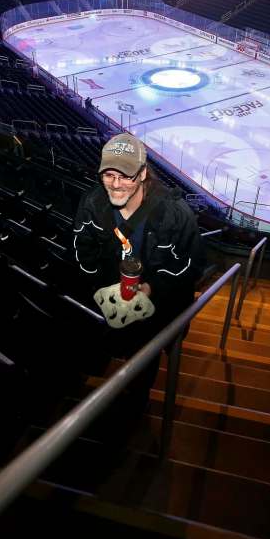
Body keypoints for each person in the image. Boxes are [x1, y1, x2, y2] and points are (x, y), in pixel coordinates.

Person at [72, 132, 204, 438]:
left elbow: (190, 266)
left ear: (143, 174)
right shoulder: (93, 203)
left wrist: (152, 288)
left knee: (143, 358)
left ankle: (136, 401)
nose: (115, 184)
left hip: (155, 310)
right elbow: (81, 250)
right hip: (111, 300)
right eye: (109, 174)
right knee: (113, 343)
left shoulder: (175, 215)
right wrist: (99, 284)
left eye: (125, 176)